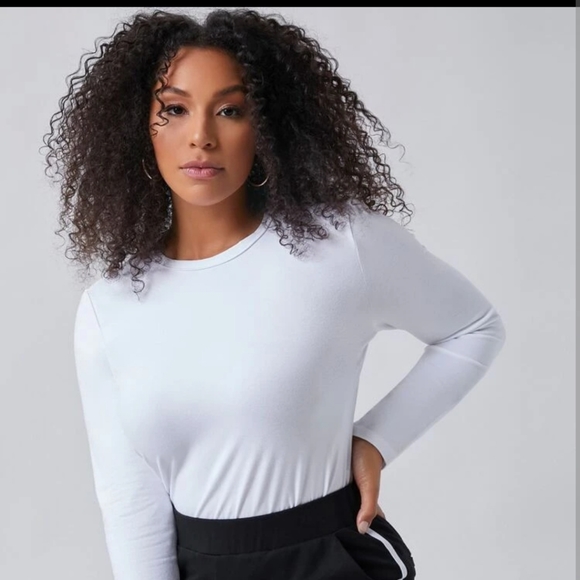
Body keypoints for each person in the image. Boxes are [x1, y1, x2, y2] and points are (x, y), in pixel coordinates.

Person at [42, 8, 506, 580]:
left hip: (329, 560)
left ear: (266, 125)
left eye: (230, 110)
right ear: (138, 128)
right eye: (175, 109)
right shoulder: (108, 307)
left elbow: (473, 327)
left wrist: (376, 441)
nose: (201, 136)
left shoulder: (341, 246)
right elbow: (130, 501)